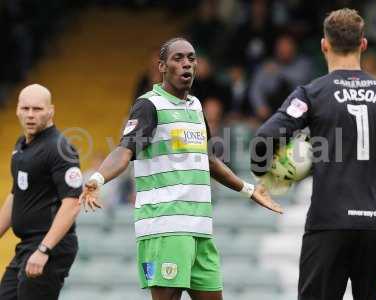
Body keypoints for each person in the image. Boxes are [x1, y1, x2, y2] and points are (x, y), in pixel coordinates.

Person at [79, 37, 283, 300]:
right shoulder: (148, 104)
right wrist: (97, 179)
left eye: (191, 58)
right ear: (162, 66)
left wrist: (248, 189)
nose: (187, 63)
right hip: (165, 226)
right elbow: (124, 150)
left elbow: (207, 159)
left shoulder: (196, 106)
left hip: (200, 229)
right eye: (178, 58)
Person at [251, 8, 376, 300]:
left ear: (324, 45)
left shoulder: (312, 94)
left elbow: (263, 140)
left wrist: (265, 173)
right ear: (364, 44)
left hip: (328, 226)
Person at [0, 84, 82, 300]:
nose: (30, 115)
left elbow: (72, 203)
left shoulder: (59, 148)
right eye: (25, 108)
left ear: (51, 110)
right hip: (26, 247)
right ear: (17, 109)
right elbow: (16, 194)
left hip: (49, 246)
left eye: (37, 109)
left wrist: (44, 249)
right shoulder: (21, 146)